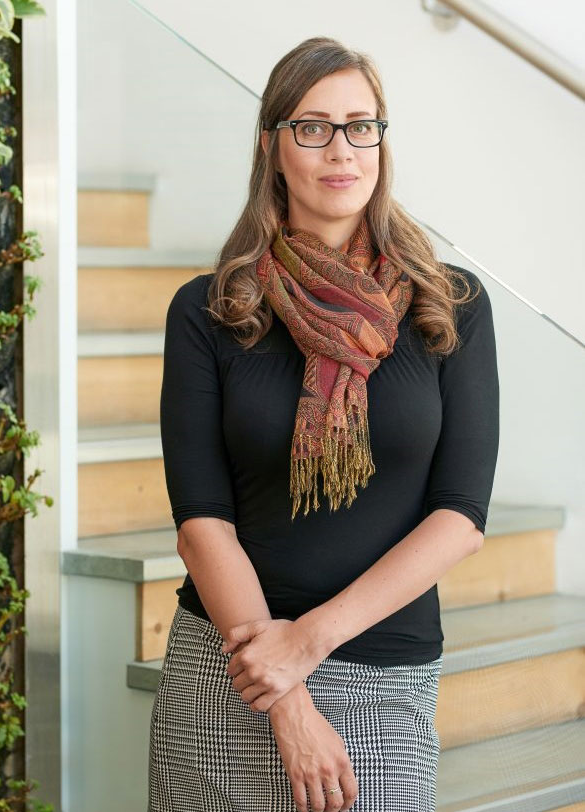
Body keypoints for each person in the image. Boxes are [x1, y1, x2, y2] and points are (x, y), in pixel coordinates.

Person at [148, 35, 499, 812]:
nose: (340, 149)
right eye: (312, 126)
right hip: (229, 666)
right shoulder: (210, 311)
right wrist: (285, 697)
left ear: (381, 141)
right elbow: (202, 523)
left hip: (380, 664)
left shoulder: (452, 306)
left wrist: (303, 646)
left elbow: (460, 517)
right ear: (273, 146)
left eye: (359, 125)